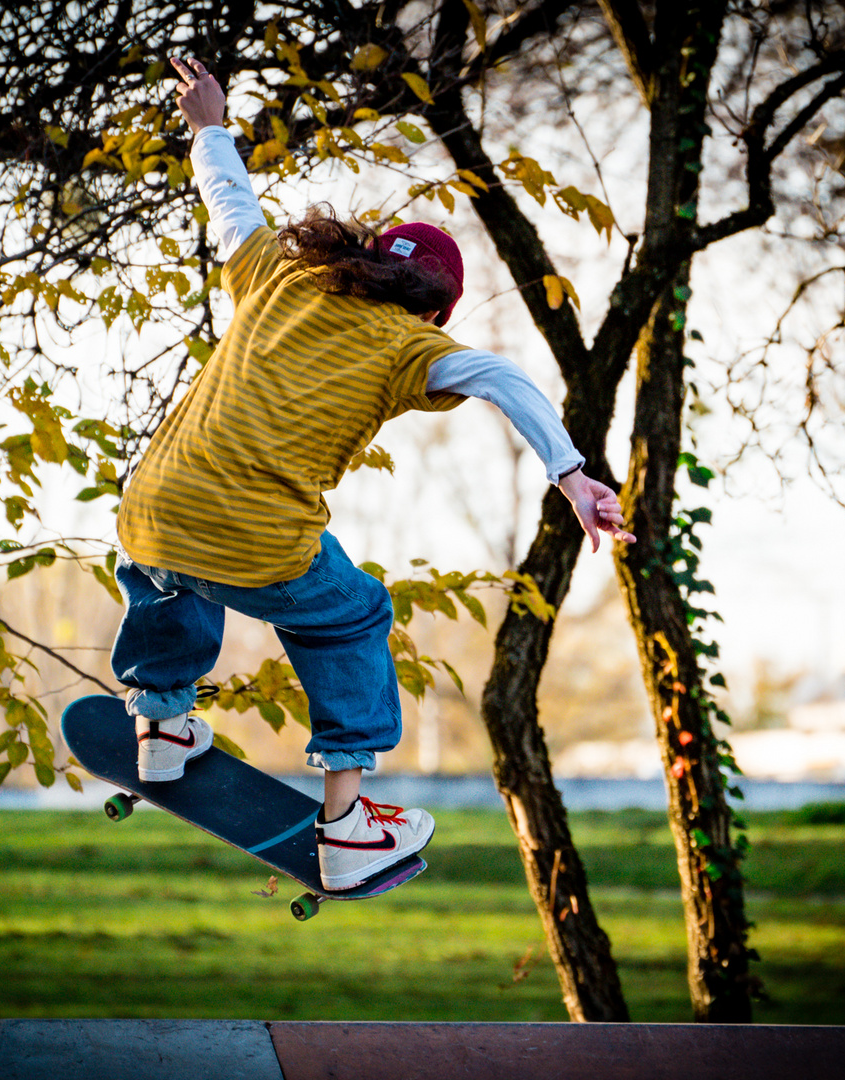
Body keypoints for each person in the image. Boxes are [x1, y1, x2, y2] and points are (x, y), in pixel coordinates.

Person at [109, 57, 634, 893]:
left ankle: (162, 724)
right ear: (432, 307)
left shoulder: (280, 276)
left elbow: (229, 198)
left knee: (174, 575)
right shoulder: (412, 344)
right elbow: (501, 378)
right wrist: (572, 475)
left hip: (150, 509)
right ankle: (348, 822)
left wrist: (208, 122)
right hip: (258, 536)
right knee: (352, 613)